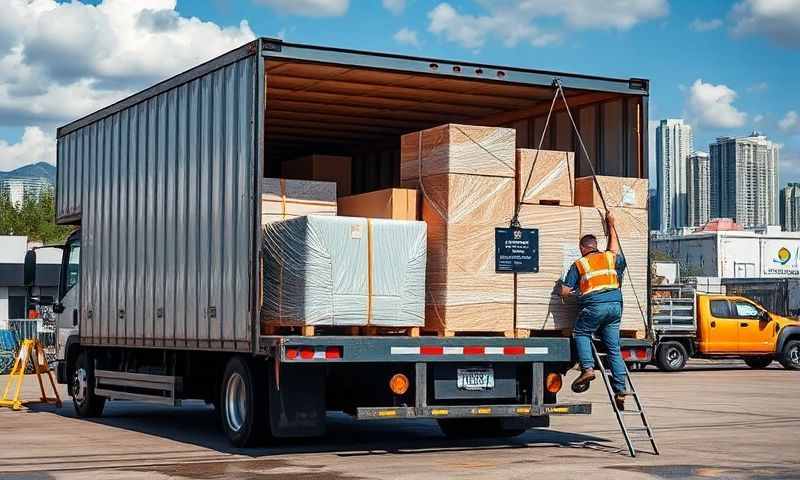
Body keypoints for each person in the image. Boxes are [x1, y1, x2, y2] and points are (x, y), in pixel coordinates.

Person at [559, 210, 628, 410]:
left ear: (582, 248)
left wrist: (570, 292)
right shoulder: (609, 257)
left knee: (581, 332)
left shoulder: (579, 263)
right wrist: (611, 223)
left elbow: (564, 291)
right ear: (595, 246)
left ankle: (588, 368)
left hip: (595, 307)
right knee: (613, 348)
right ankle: (621, 389)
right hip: (615, 307)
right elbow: (615, 246)